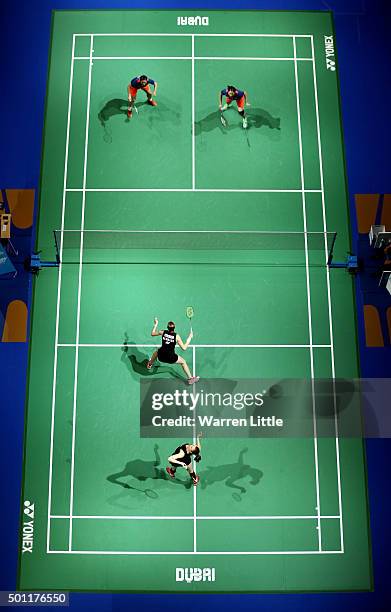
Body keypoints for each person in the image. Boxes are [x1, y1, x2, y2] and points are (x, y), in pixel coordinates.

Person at [147, 319, 199, 385]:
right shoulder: (176, 336)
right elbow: (184, 348)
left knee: (156, 352)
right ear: (174, 328)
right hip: (171, 358)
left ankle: (149, 364)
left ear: (167, 328)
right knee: (183, 362)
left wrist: (156, 324)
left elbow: (152, 333)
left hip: (161, 357)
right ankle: (190, 378)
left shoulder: (163, 332)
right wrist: (190, 338)